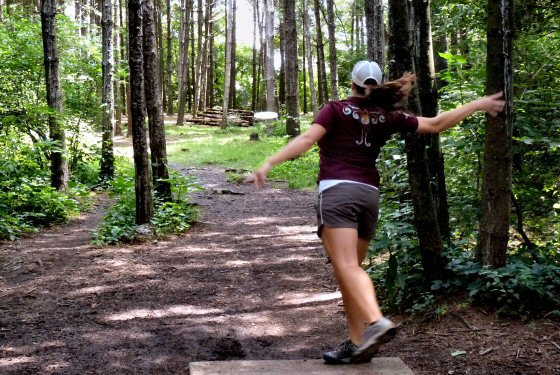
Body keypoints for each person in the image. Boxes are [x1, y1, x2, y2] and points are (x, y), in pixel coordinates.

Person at [247, 60, 505, 365]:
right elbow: (436, 124)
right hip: (368, 196)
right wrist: (477, 103)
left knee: (347, 267)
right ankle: (358, 344)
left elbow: (307, 140)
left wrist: (269, 163)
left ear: (352, 83)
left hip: (338, 193)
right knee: (350, 270)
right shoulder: (389, 116)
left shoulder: (336, 109)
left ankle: (375, 321)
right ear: (377, 84)